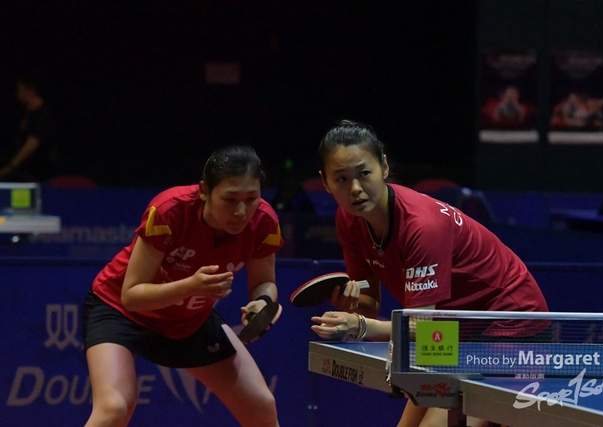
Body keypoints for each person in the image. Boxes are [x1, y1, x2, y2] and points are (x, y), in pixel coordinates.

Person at [309, 120, 549, 427]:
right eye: (341, 179)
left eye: (364, 173)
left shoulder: (422, 227)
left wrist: (358, 326)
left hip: (510, 325)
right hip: (450, 333)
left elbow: (419, 327)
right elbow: (370, 304)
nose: (354, 189)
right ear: (325, 182)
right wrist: (351, 306)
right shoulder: (349, 220)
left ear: (384, 167)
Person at [82, 145, 283, 427]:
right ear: (204, 191)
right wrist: (190, 286)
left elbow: (264, 282)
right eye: (230, 199)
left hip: (190, 320)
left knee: (260, 405)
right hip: (120, 312)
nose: (241, 211)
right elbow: (131, 295)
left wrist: (262, 303)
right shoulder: (170, 210)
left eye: (251, 199)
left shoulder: (263, 221)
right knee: (114, 408)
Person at [0, 74, 60, 182]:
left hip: (39, 175)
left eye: (20, 90)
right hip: (25, 171)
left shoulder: (42, 115)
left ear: (30, 90)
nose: (17, 94)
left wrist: (10, 167)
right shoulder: (27, 113)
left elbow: (30, 145)